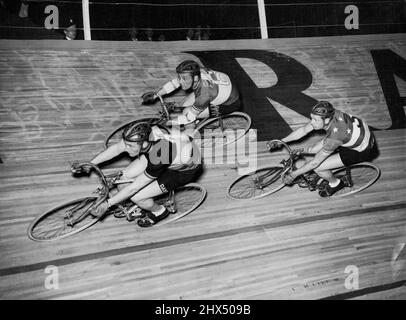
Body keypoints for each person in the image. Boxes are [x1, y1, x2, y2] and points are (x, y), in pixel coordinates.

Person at [72, 122, 202, 227]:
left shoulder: (159, 155)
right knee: (124, 177)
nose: (126, 149)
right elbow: (117, 148)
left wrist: (108, 204)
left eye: (130, 146)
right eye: (127, 144)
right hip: (167, 154)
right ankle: (135, 206)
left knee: (137, 196)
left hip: (183, 169)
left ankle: (159, 211)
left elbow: (134, 187)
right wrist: (90, 164)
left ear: (143, 143)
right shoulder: (143, 135)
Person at [267, 101, 378, 197]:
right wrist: (281, 141)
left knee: (319, 168)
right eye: (312, 118)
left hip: (361, 151)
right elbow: (305, 130)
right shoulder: (330, 113)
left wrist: (293, 175)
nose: (312, 122)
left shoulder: (334, 138)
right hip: (352, 136)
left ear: (326, 120)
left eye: (315, 120)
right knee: (313, 149)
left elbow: (315, 163)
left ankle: (336, 183)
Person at [141, 60, 241, 128]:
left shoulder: (204, 94)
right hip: (219, 88)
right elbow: (175, 83)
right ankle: (197, 118)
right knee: (184, 104)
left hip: (229, 103)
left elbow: (188, 117)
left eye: (184, 79)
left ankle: (191, 136)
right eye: (179, 77)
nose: (180, 81)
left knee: (186, 113)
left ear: (196, 78)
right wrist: (157, 94)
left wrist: (167, 123)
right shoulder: (195, 72)